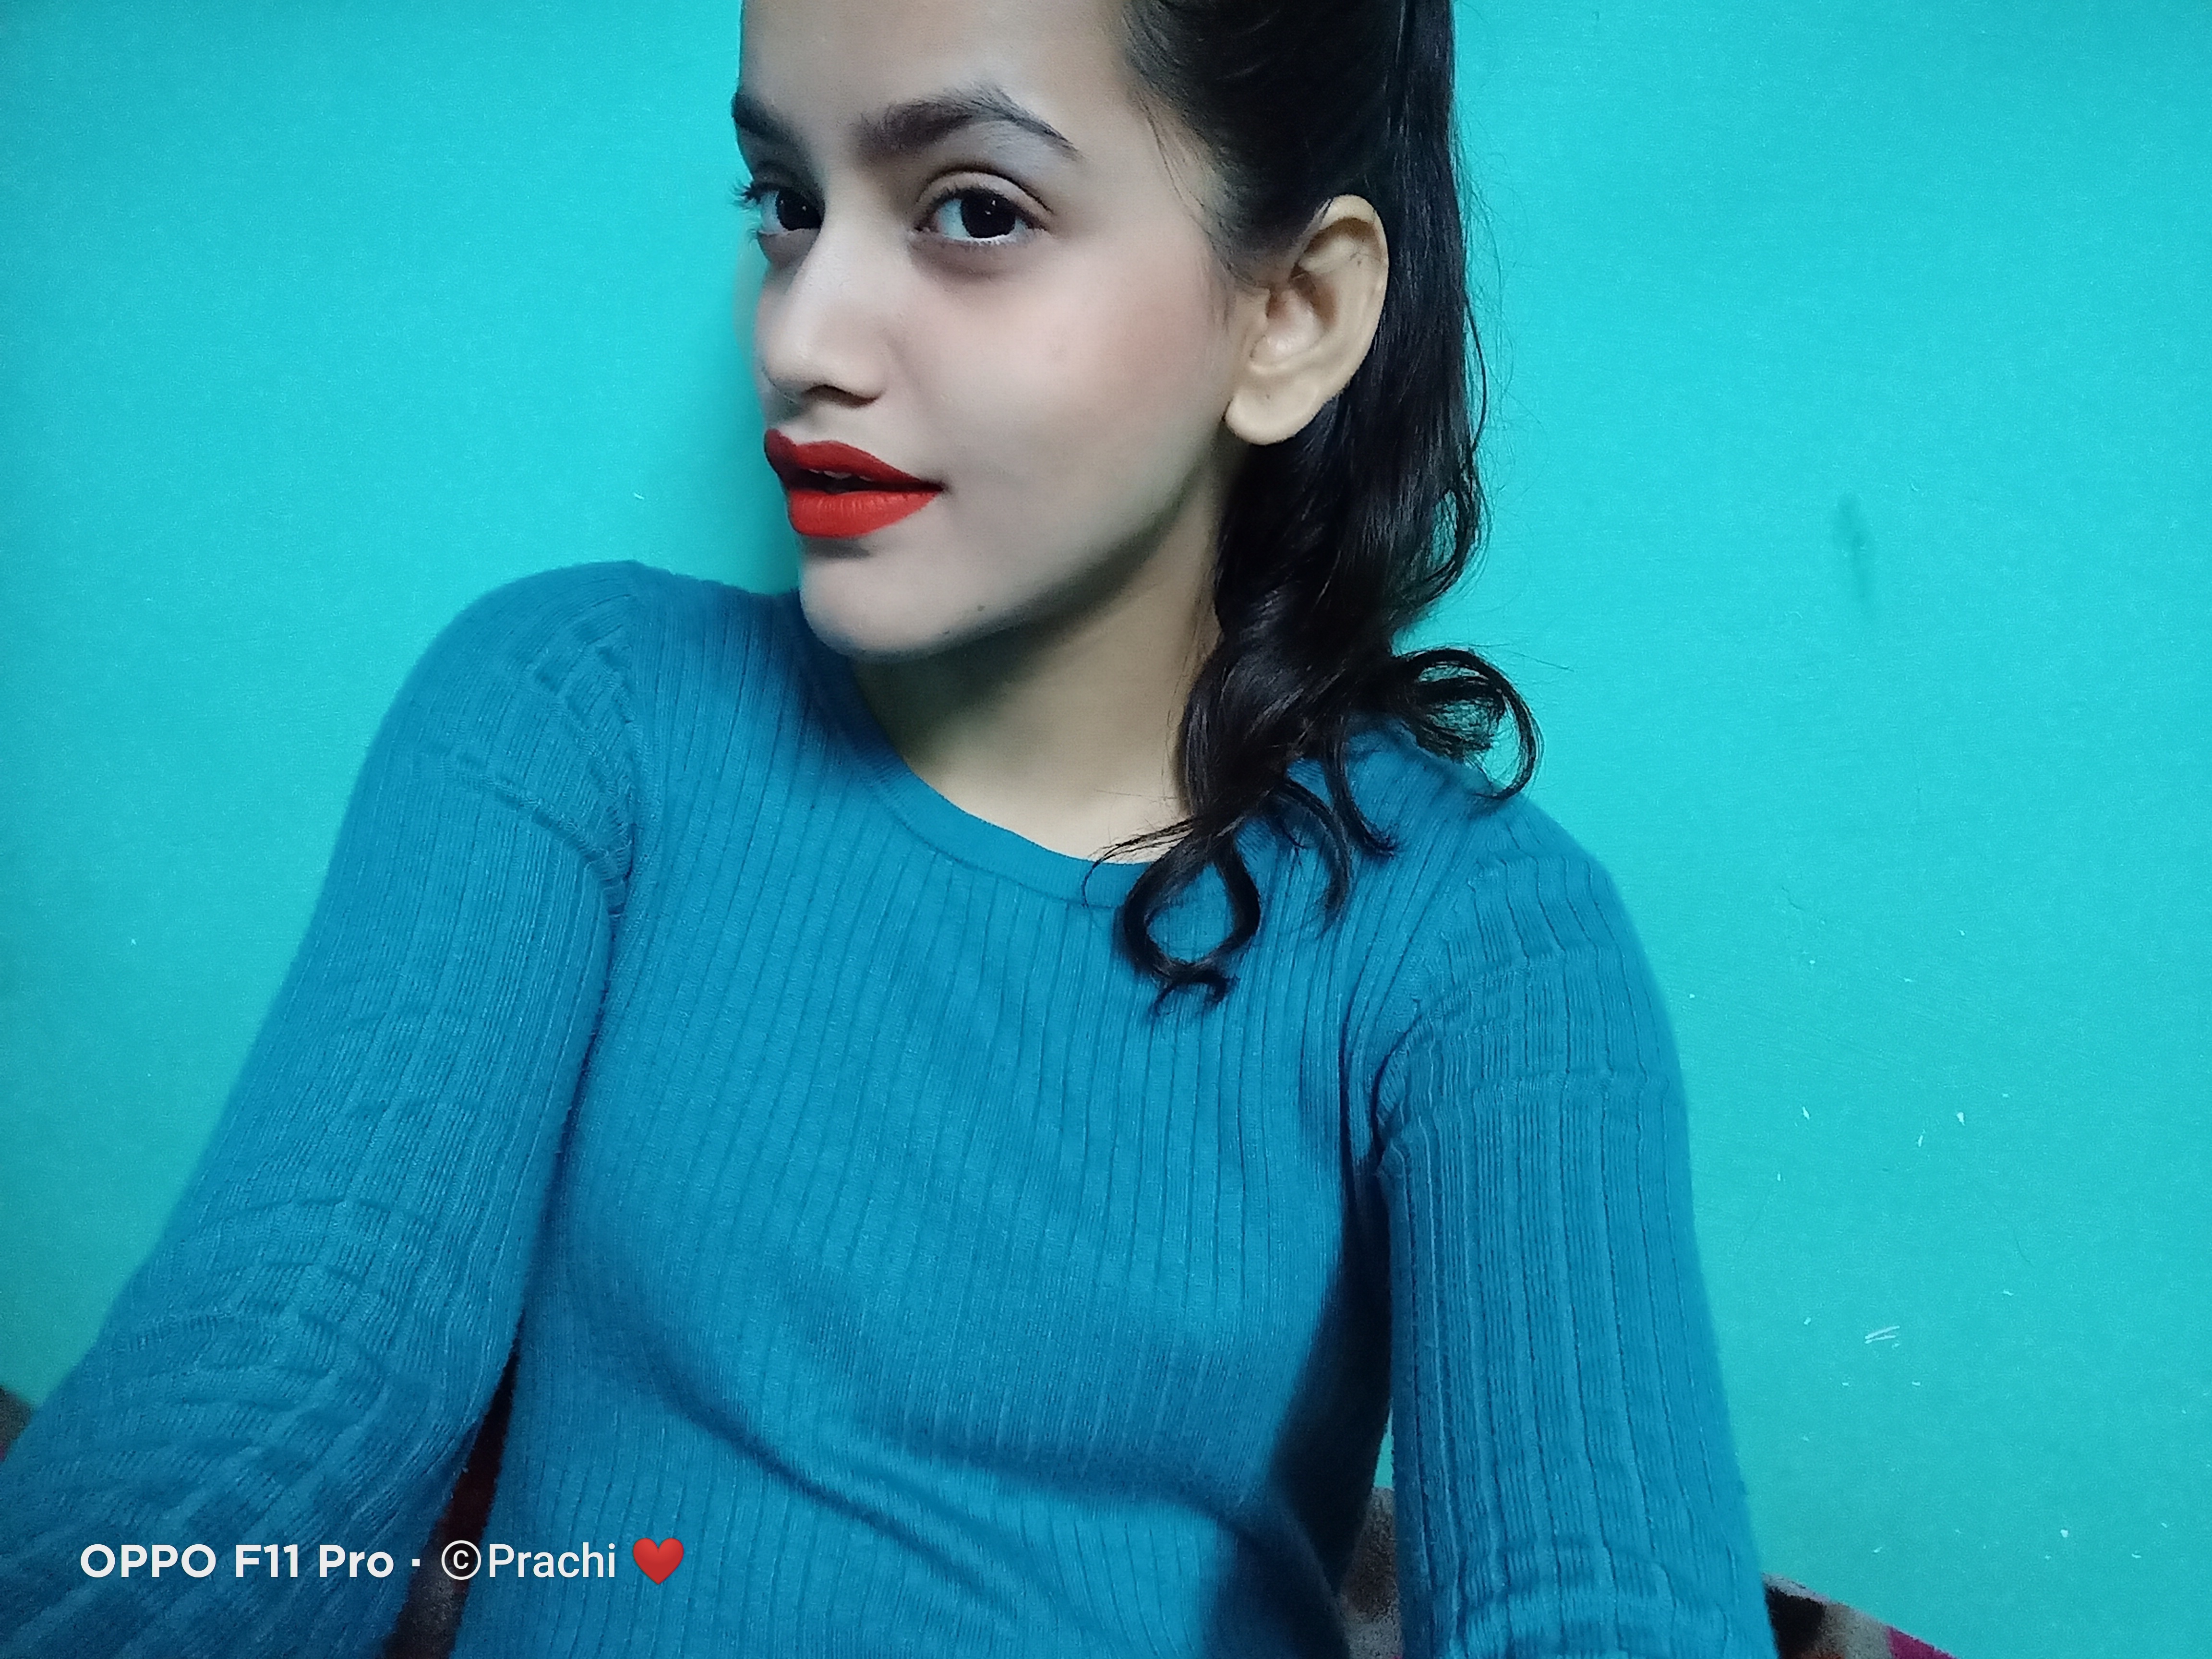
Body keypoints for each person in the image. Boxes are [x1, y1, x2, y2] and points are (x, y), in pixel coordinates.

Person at [0, 0, 1780, 1652]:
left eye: (975, 211)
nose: (799, 338)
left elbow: (1597, 1607)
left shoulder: (1481, 955)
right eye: (786, 201)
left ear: (1291, 315)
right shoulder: (574, 715)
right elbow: (263, 1416)